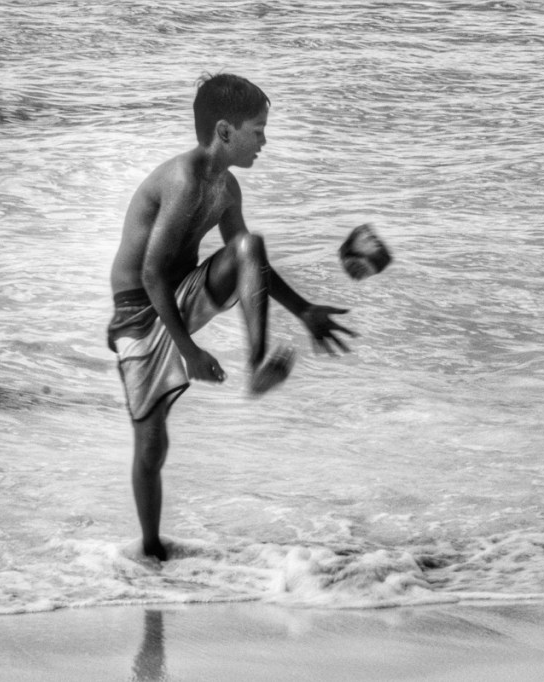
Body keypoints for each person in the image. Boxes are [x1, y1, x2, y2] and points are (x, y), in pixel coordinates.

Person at [107, 73, 356, 561]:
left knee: (248, 245)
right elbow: (152, 274)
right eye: (257, 131)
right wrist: (190, 351)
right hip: (139, 310)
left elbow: (248, 261)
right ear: (224, 131)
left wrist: (305, 311)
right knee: (152, 444)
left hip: (181, 294)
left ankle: (256, 364)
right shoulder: (184, 180)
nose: (264, 141)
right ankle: (151, 552)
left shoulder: (226, 186)